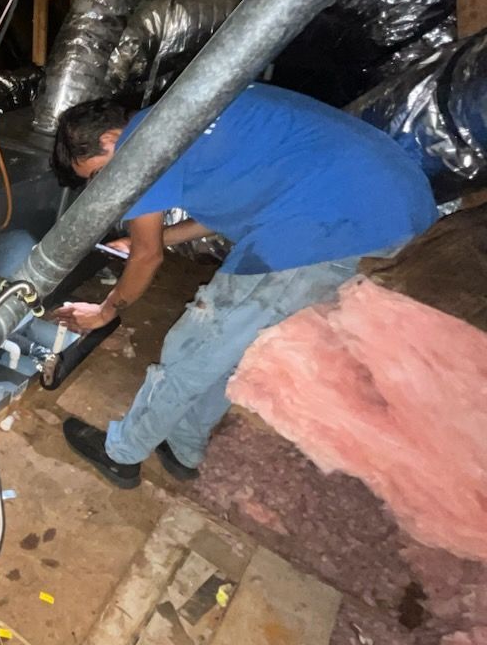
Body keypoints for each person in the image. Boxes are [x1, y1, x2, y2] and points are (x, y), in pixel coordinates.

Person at [51, 83, 437, 489]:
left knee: (193, 346)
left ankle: (121, 455)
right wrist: (145, 238)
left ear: (113, 139)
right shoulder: (191, 110)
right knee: (231, 347)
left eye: (97, 174)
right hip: (386, 211)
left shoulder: (144, 143)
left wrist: (107, 309)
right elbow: (228, 208)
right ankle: (183, 447)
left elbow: (148, 258)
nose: (107, 187)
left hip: (328, 223)